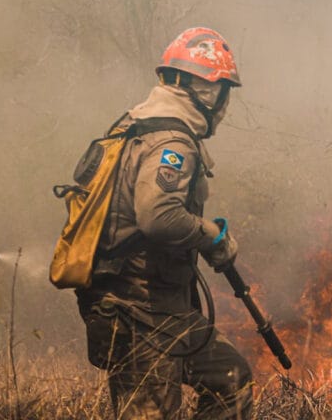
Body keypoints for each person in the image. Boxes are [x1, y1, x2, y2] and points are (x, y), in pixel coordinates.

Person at [76, 28, 252, 419]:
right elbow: (159, 217)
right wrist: (211, 236)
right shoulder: (172, 141)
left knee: (230, 378)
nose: (224, 104)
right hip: (140, 309)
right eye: (224, 91)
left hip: (160, 307)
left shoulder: (134, 125)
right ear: (208, 91)